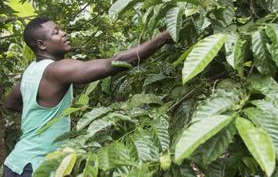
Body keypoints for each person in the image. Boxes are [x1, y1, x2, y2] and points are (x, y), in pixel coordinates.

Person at [2, 17, 171, 176]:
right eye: (55, 32)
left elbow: (10, 103)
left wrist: (46, 112)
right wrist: (161, 38)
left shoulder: (32, 70)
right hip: (37, 166)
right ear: (42, 44)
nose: (63, 33)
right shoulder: (57, 69)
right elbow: (114, 62)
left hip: (15, 163)